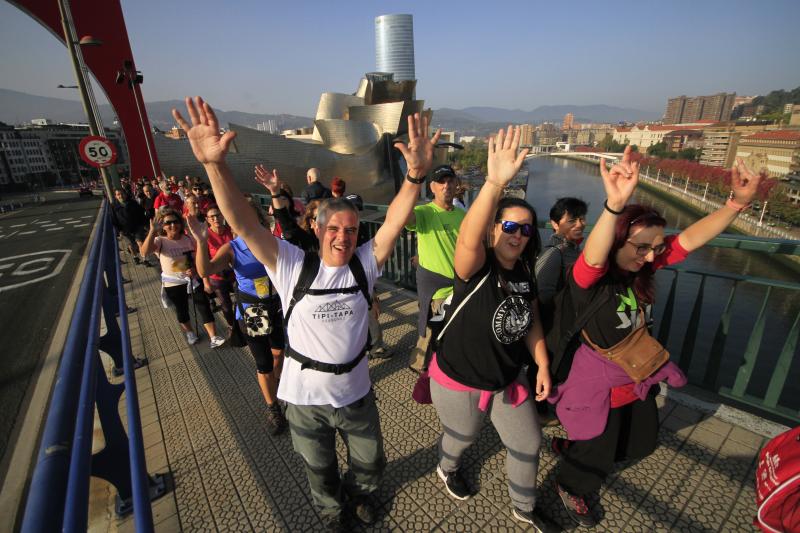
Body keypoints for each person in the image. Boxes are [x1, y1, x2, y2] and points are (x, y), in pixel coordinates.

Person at [173, 96, 439, 531]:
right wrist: (213, 166)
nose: (343, 236)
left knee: (370, 461)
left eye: (352, 230)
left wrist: (415, 176)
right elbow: (244, 224)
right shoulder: (292, 264)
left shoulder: (364, 263)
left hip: (355, 391)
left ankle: (363, 496)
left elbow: (393, 221)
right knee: (318, 468)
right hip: (304, 398)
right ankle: (333, 512)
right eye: (334, 228)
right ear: (316, 228)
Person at [549, 147, 761, 527]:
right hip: (600, 382)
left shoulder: (640, 269)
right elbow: (593, 258)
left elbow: (690, 240)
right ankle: (572, 484)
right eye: (640, 247)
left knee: (642, 441)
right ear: (617, 241)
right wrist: (614, 205)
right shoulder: (591, 280)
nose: (650, 257)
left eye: (655, 248)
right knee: (598, 444)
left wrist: (736, 206)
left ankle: (575, 446)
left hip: (636, 373)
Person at [428, 126, 557, 532]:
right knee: (462, 436)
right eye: (509, 226)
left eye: (526, 229)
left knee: (528, 442)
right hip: (459, 378)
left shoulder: (523, 273)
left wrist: (542, 364)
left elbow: (531, 319)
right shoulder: (475, 268)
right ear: (493, 228)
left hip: (507, 378)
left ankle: (524, 506)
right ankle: (447, 467)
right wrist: (495, 183)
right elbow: (467, 238)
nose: (517, 235)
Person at [188, 204, 288, 435]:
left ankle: (277, 382)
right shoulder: (233, 248)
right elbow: (205, 270)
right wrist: (202, 242)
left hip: (276, 306)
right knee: (263, 363)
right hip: (253, 311)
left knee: (279, 353)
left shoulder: (274, 242)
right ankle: (273, 408)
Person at [405, 164, 465, 373]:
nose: (446, 185)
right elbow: (405, 217)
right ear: (432, 187)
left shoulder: (461, 214)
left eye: (450, 180)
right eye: (441, 181)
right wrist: (413, 177)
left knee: (450, 332)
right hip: (437, 292)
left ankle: (441, 368)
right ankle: (419, 364)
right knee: (431, 330)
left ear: (457, 184)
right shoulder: (424, 212)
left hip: (460, 287)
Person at [140, 208, 226, 349]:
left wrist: (194, 268)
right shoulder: (160, 241)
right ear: (162, 226)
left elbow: (197, 258)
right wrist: (152, 231)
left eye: (175, 222)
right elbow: (144, 252)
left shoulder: (189, 239)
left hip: (192, 279)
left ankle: (213, 336)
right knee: (182, 309)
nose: (173, 225)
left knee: (204, 306)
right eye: (168, 223)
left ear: (180, 223)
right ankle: (190, 333)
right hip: (172, 282)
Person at [534, 197, 588, 306]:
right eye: (572, 220)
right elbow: (543, 296)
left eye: (582, 219)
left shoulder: (575, 250)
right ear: (555, 224)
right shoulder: (554, 253)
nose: (579, 224)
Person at [203, 205, 236, 332]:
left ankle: (243, 322)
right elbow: (203, 261)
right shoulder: (205, 236)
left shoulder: (231, 231)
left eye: (218, 215)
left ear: (222, 216)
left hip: (234, 274)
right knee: (226, 305)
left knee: (241, 298)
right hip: (216, 277)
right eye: (212, 216)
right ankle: (232, 326)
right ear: (207, 219)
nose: (215, 218)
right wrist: (206, 282)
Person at [111, 188, 148, 265]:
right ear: (116, 196)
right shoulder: (114, 206)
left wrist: (144, 224)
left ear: (125, 194)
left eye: (122, 194)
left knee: (140, 242)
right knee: (131, 245)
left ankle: (145, 259)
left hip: (137, 226)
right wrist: (119, 231)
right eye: (118, 194)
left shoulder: (133, 203)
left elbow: (141, 213)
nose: (121, 196)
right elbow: (113, 219)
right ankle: (135, 257)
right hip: (124, 229)